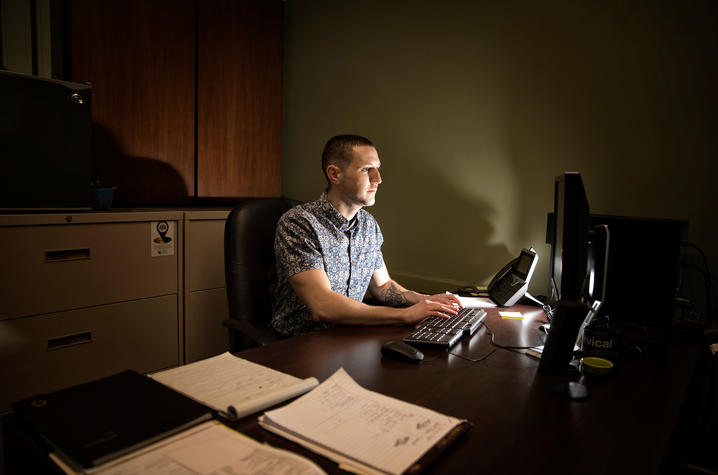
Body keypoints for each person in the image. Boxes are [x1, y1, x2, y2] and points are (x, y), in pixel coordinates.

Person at [270, 134, 462, 337]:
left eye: (377, 168)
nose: (378, 179)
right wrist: (406, 315)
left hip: (348, 336)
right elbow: (322, 305)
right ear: (335, 174)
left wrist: (426, 300)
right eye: (366, 169)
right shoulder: (299, 223)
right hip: (298, 344)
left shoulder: (368, 225)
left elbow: (383, 286)